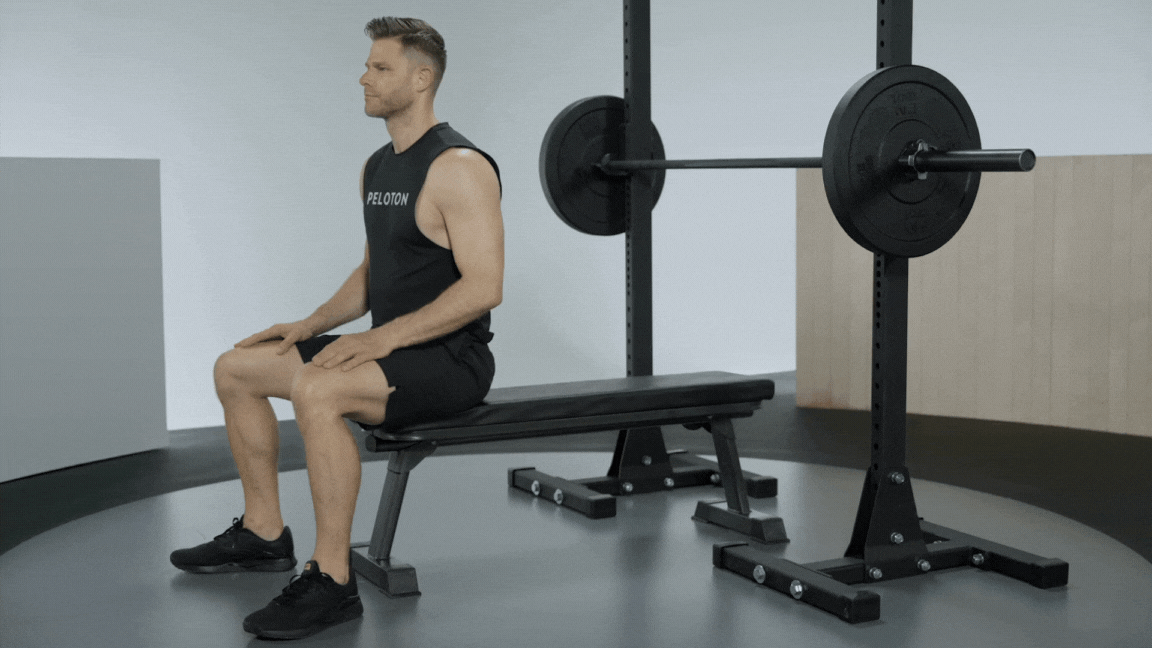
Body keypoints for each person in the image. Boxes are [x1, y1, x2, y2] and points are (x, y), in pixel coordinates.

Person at [169, 17, 503, 640]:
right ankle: (264, 533)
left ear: (422, 77)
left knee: (317, 390)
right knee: (237, 368)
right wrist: (310, 324)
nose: (364, 77)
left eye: (381, 68)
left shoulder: (458, 165)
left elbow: (484, 288)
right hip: (389, 352)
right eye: (367, 66)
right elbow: (377, 268)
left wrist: (380, 338)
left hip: (450, 361)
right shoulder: (379, 165)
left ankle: (333, 581)